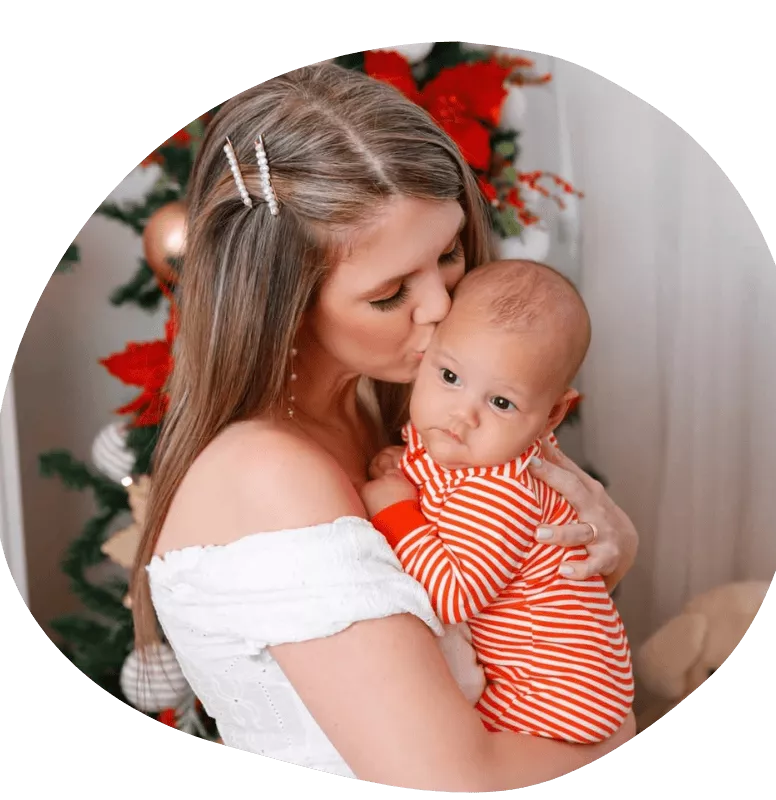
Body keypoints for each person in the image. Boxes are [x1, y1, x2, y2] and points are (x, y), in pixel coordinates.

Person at [130, 60, 639, 791]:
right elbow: (453, 783)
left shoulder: (407, 408)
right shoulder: (269, 475)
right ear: (283, 304)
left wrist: (612, 553)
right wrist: (618, 732)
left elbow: (517, 617)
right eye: (392, 292)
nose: (441, 305)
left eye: (450, 253)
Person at [361, 258, 635, 745]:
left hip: (553, 697)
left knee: (435, 738)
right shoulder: (469, 451)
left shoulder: (502, 489)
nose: (462, 415)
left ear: (551, 416)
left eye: (501, 402)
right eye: (450, 377)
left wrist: (395, 509)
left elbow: (454, 595)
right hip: (537, 676)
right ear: (427, 354)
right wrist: (407, 464)